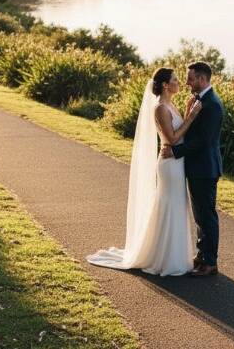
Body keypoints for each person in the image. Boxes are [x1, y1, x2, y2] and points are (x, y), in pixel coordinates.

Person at [86, 67, 203, 276]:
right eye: (175, 80)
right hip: (169, 164)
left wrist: (186, 113)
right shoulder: (160, 108)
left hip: (177, 161)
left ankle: (172, 254)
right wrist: (192, 117)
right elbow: (172, 139)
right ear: (166, 85)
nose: (180, 83)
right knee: (170, 203)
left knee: (177, 204)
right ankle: (162, 257)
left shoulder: (171, 104)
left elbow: (179, 131)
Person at [159, 61, 224, 276]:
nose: (187, 82)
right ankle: (202, 254)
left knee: (206, 215)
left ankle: (210, 262)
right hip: (196, 167)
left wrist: (176, 152)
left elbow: (204, 141)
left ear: (202, 79)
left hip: (205, 168)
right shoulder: (197, 100)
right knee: (200, 215)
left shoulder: (211, 104)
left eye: (191, 78)